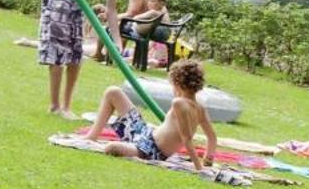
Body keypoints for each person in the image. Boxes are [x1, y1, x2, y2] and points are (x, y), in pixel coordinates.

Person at [40, 0, 149, 116]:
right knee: (58, 49)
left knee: (76, 53)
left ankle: (66, 107)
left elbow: (111, 10)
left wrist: (117, 41)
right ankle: (54, 106)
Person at [82, 59, 218, 169]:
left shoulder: (179, 103)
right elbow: (212, 137)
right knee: (113, 92)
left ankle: (99, 139)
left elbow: (186, 138)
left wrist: (198, 167)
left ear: (177, 84)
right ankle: (91, 137)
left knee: (111, 148)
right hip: (145, 133)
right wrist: (208, 160)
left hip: (150, 150)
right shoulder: (200, 107)